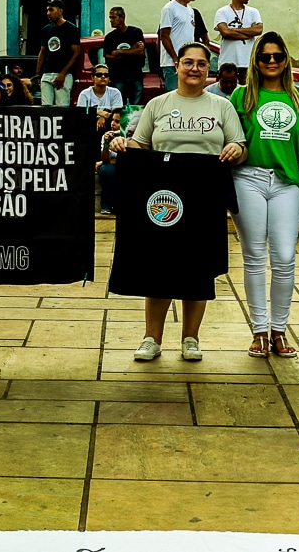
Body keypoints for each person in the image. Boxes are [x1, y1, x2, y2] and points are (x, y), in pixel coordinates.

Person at [107, 42, 247, 362]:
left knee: (197, 268)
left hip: (203, 195)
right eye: (188, 62)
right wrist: (119, 142)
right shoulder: (157, 104)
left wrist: (236, 151)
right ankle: (151, 338)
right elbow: (139, 144)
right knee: (159, 266)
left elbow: (239, 144)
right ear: (177, 65)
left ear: (207, 69)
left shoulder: (221, 106)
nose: (194, 68)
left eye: (201, 63)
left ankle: (191, 338)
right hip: (162, 199)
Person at [230, 32, 299, 359]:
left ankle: (279, 329)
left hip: (286, 182)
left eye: (277, 56)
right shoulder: (241, 97)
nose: (271, 62)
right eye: (264, 57)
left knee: (284, 257)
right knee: (254, 257)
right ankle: (258, 331)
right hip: (248, 178)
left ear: (286, 60)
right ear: (255, 61)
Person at [213, 0, 263, 80]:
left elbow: (258, 30)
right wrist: (249, 32)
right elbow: (225, 33)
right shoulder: (222, 12)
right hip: (227, 64)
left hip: (248, 63)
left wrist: (233, 30)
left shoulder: (253, 12)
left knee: (247, 94)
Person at [35, 0, 81, 106]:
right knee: (45, 108)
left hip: (63, 75)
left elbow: (76, 53)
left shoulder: (71, 29)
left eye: (51, 10)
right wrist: (38, 74)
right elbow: (42, 52)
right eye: (47, 10)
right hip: (47, 73)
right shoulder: (46, 29)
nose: (48, 13)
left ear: (60, 11)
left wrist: (63, 73)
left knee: (62, 107)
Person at [158, 0, 198, 93]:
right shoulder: (170, 8)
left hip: (186, 62)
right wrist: (176, 59)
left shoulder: (190, 10)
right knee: (174, 95)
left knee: (186, 94)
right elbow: (164, 36)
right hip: (172, 64)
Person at [103, 6, 145, 105]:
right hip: (118, 76)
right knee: (118, 106)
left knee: (136, 107)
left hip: (135, 75)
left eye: (114, 17)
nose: (111, 20)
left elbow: (140, 52)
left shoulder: (135, 32)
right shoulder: (110, 37)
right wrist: (132, 51)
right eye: (110, 18)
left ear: (122, 18)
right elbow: (108, 58)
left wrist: (119, 52)